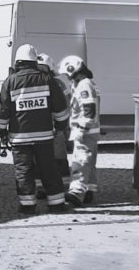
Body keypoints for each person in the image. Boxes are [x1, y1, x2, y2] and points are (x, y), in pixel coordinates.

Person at [0, 44, 70, 214]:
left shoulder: (10, 81)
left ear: (17, 62)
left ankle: (27, 205)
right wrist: (60, 127)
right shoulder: (47, 79)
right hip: (44, 137)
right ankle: (56, 204)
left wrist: (1, 131)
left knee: (23, 171)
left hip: (19, 138)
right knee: (48, 168)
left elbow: (3, 110)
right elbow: (60, 107)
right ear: (34, 61)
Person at [58, 55, 101, 207]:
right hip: (89, 129)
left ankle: (77, 192)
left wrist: (81, 129)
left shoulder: (84, 85)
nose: (67, 77)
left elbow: (89, 110)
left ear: (73, 70)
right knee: (89, 163)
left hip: (84, 130)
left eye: (67, 74)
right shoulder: (86, 83)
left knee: (80, 161)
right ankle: (89, 190)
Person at [37, 53, 71, 190]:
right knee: (59, 160)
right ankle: (62, 186)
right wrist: (65, 128)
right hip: (56, 128)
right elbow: (67, 106)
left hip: (37, 129)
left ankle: (40, 187)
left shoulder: (28, 81)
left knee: (39, 160)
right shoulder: (59, 84)